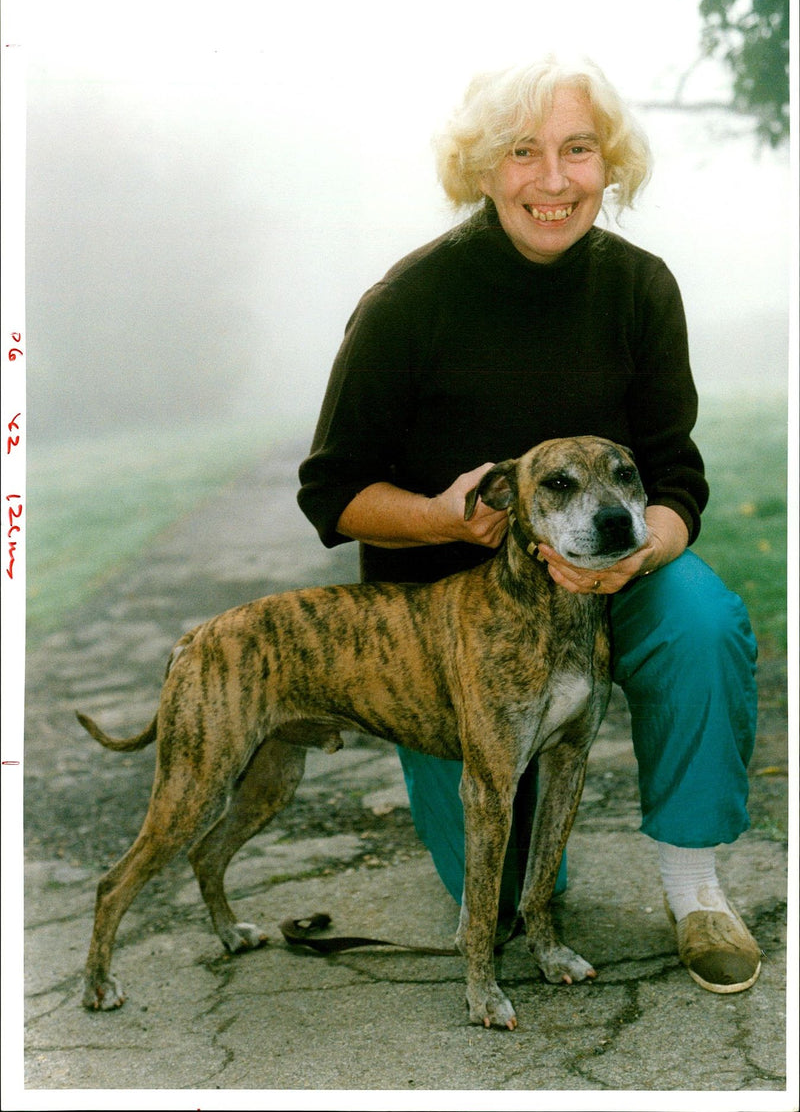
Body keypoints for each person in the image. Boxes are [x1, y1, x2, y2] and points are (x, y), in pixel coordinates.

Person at [297, 56, 761, 993]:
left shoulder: (640, 288)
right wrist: (438, 515)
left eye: (577, 150)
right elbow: (332, 492)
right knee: (502, 900)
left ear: (609, 164)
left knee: (703, 620)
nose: (553, 180)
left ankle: (695, 886)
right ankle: (526, 867)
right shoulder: (407, 302)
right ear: (481, 167)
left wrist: (641, 554)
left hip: (610, 575)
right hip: (452, 621)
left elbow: (675, 474)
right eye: (522, 152)